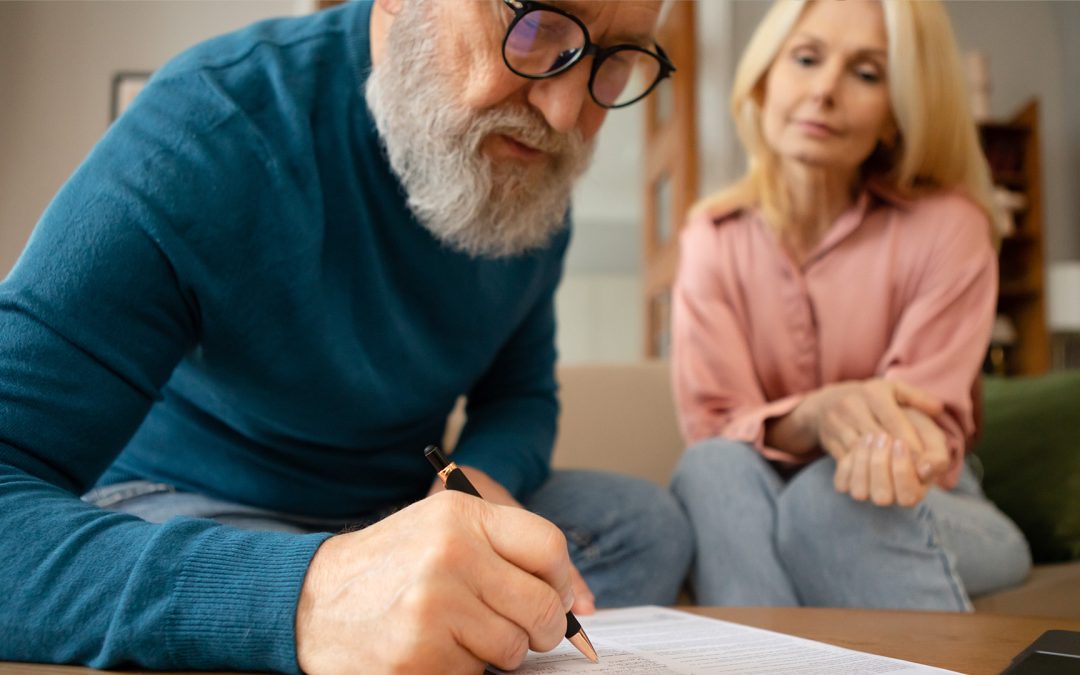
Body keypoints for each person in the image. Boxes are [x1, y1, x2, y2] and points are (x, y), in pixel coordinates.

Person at [0, 1, 693, 672]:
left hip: (391, 507)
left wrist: (477, 481)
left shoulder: (527, 173)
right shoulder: (210, 126)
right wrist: (305, 597)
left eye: (617, 58)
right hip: (194, 506)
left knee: (643, 524)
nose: (565, 113)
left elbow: (521, 392)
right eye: (536, 26)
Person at [670, 0, 1031, 611]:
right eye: (806, 59)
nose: (824, 91)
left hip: (928, 498)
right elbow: (715, 424)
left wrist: (879, 439)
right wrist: (816, 414)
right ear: (764, 78)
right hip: (757, 492)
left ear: (897, 113)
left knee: (828, 502)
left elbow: (920, 424)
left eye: (866, 74)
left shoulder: (950, 226)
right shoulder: (713, 236)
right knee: (710, 470)